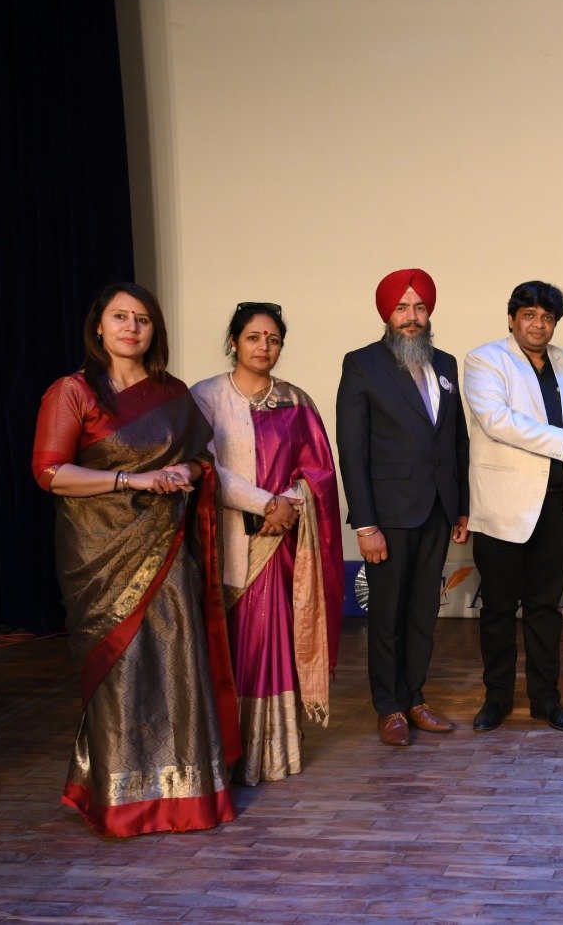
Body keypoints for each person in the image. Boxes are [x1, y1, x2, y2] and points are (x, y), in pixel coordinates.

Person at [31, 282, 240, 836]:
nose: (131, 327)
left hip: (167, 547)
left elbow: (200, 461)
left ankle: (186, 796)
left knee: (175, 660)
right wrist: (132, 479)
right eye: (120, 317)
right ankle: (122, 800)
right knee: (119, 670)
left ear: (155, 330)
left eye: (142, 319)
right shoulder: (73, 392)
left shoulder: (172, 393)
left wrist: (184, 472)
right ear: (99, 327)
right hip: (98, 554)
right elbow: (50, 472)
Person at [191, 302, 345, 784]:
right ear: (234, 341)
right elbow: (206, 469)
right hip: (225, 544)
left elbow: (319, 473)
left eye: (273, 339)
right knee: (227, 648)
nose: (264, 347)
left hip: (278, 547)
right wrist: (264, 503)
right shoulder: (206, 397)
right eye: (254, 337)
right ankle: (224, 755)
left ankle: (269, 755)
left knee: (268, 645)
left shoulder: (295, 401)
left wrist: (288, 504)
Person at [463, 280, 563, 734]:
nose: (538, 325)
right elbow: (499, 422)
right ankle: (497, 699)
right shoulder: (484, 359)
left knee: (546, 610)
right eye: (529, 315)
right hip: (503, 505)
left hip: (559, 504)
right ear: (512, 319)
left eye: (547, 317)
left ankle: (546, 700)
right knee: (499, 610)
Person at [336, 269, 470, 747]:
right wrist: (365, 524)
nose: (411, 317)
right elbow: (352, 450)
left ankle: (415, 697)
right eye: (401, 308)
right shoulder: (362, 364)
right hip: (388, 515)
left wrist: (461, 506)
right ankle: (389, 707)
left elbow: (456, 438)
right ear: (386, 314)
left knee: (422, 613)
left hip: (437, 509)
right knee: (387, 615)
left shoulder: (445, 363)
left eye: (419, 307)